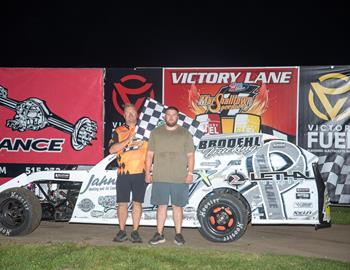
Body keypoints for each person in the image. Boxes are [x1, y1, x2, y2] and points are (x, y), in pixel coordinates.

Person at [145, 106, 195, 245]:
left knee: (177, 206)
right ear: (164, 117)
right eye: (168, 114)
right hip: (160, 176)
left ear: (177, 117)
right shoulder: (155, 133)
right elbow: (149, 155)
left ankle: (178, 234)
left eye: (174, 115)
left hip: (179, 176)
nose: (171, 117)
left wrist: (190, 173)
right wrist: (147, 172)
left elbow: (190, 156)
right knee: (161, 206)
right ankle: (159, 234)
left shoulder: (185, 133)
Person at [109, 103, 147, 243]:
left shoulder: (145, 129)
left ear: (137, 115)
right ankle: (122, 230)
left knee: (137, 203)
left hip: (140, 172)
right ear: (124, 115)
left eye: (133, 113)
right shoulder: (118, 130)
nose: (130, 115)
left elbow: (152, 151)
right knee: (122, 203)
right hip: (123, 172)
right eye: (128, 113)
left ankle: (135, 231)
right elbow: (112, 149)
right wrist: (128, 140)